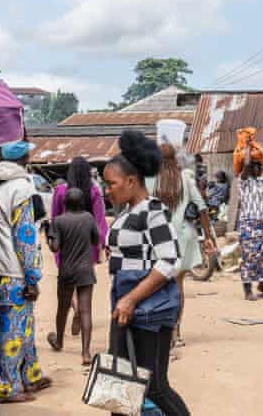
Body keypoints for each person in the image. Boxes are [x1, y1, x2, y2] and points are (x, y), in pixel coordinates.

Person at [105, 131, 190, 416]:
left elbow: (169, 261)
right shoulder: (129, 211)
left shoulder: (152, 211)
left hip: (147, 308)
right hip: (126, 303)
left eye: (111, 184)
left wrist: (130, 299)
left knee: (154, 386)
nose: (108, 190)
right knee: (122, 383)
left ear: (131, 181)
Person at [0, 141, 51, 404]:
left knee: (23, 325)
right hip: (14, 271)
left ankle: (30, 374)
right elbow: (24, 236)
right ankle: (7, 387)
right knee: (12, 331)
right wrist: (32, 277)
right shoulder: (22, 187)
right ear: (23, 157)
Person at [147, 143, 215, 347]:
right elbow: (201, 208)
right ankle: (176, 331)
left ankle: (159, 328)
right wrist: (209, 237)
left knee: (156, 284)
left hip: (157, 236)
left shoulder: (149, 180)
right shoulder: (185, 179)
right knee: (177, 286)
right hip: (183, 236)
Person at [51, 157, 109, 338]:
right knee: (84, 281)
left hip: (64, 242)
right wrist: (102, 244)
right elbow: (100, 220)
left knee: (67, 282)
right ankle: (80, 310)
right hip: (87, 243)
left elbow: (54, 216)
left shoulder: (60, 191)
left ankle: (74, 307)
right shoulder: (93, 191)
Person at [46, 188, 98, 365]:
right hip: (85, 270)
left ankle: (59, 340)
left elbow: (55, 247)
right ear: (82, 203)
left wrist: (49, 238)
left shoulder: (58, 221)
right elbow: (96, 240)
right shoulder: (89, 218)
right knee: (86, 311)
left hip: (67, 270)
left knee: (63, 308)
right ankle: (85, 353)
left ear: (64, 203)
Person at [237, 152, 263, 301]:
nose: (257, 169)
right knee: (249, 256)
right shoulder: (243, 181)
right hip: (249, 223)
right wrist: (248, 149)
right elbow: (245, 166)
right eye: (254, 166)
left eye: (259, 166)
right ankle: (247, 289)